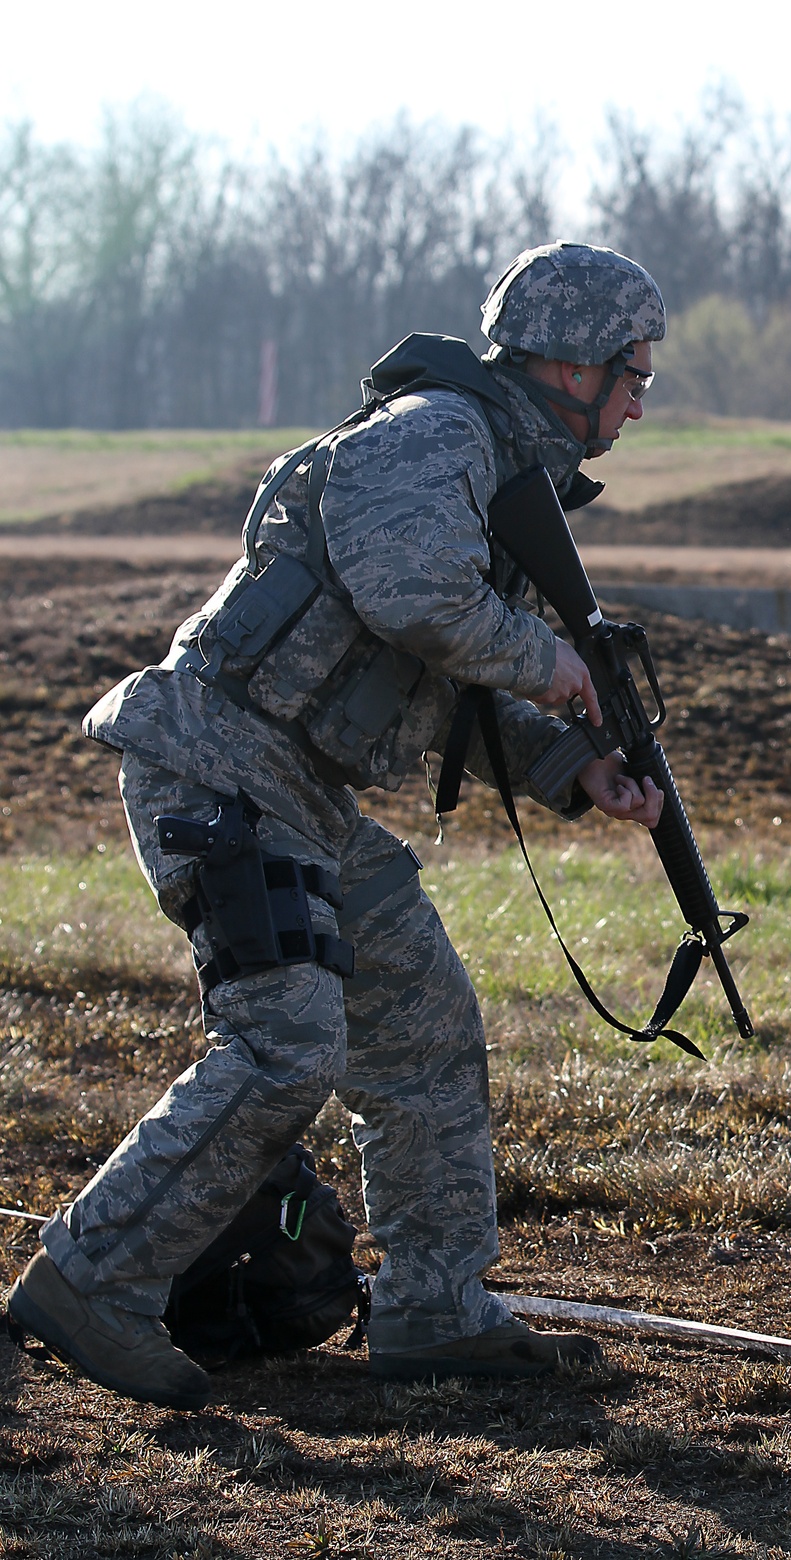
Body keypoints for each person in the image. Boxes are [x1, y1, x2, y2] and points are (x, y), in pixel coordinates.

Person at [6, 241, 667, 1410]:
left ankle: (434, 1307)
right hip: (218, 764)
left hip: (305, 795)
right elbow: (411, 594)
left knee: (420, 1027)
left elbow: (446, 673)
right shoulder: (435, 436)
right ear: (576, 366)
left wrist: (576, 766)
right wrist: (553, 659)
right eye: (636, 371)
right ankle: (89, 1282)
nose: (639, 399)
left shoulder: (507, 470)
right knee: (285, 1043)